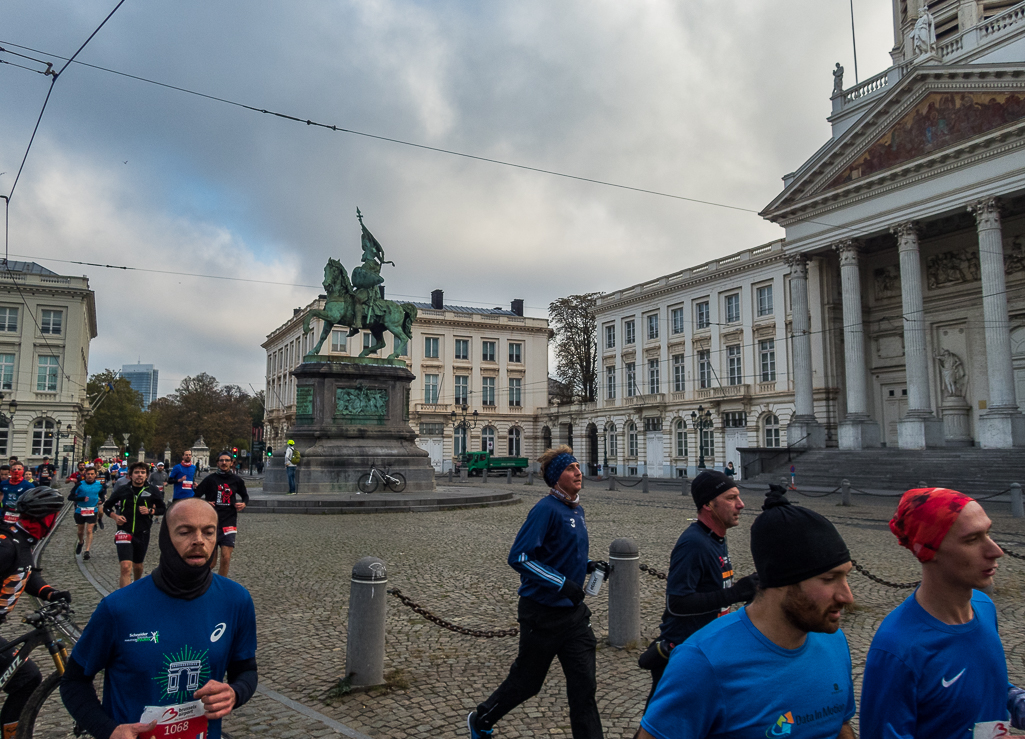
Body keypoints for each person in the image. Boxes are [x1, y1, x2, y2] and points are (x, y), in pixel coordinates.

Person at [637, 487, 856, 739]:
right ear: (781, 581)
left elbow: (840, 725)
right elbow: (677, 601)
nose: (847, 597)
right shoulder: (701, 663)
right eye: (829, 579)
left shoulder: (834, 641)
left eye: (846, 576)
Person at [61, 498, 258, 739]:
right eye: (185, 532)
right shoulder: (118, 608)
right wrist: (109, 730)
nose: (198, 540)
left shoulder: (236, 599)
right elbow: (73, 682)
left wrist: (235, 693)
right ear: (165, 538)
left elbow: (246, 670)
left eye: (209, 532)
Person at [860, 488, 1025, 736]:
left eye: (988, 533)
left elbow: (980, 684)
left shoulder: (984, 606)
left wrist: (1016, 701)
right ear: (928, 549)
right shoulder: (897, 649)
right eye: (972, 540)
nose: (996, 551)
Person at [468, 446, 603, 739]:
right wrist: (561, 583)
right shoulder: (545, 509)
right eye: (570, 469)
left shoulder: (576, 509)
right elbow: (520, 557)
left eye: (578, 467)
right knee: (527, 682)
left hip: (574, 616)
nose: (578, 473)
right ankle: (482, 719)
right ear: (556, 478)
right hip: (542, 613)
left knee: (584, 689)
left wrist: (590, 566)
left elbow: (560, 554)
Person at [638, 471, 757, 705]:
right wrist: (734, 593)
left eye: (738, 497)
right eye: (731, 498)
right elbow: (677, 603)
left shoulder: (716, 538)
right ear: (708, 505)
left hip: (707, 652)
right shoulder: (694, 544)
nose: (741, 505)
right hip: (682, 655)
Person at [0, 487, 72, 739]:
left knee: (25, 678)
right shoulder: (7, 546)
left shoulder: (21, 542)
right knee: (27, 678)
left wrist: (51, 593)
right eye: (54, 515)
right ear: (46, 519)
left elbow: (25, 573)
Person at [102, 461, 166, 589]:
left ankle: (137, 587)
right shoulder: (123, 490)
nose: (139, 475)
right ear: (130, 475)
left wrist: (150, 511)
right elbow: (107, 507)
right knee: (125, 567)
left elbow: (162, 509)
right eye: (136, 472)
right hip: (124, 532)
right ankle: (124, 598)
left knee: (138, 566)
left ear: (147, 475)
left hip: (142, 533)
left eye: (143, 473)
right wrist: (115, 517)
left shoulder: (152, 490)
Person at [195, 451, 249, 577]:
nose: (224, 463)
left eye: (226, 460)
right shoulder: (210, 479)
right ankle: (202, 582)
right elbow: (196, 495)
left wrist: (244, 503)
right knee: (210, 562)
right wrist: (206, 503)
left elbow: (245, 495)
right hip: (211, 522)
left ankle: (221, 585)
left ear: (231, 463)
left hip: (229, 521)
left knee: (226, 558)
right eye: (221, 460)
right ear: (217, 463)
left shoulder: (236, 480)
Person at [68, 466, 106, 560]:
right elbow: (70, 497)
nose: (90, 476)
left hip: (92, 510)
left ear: (95, 475)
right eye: (88, 474)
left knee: (89, 530)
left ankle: (87, 551)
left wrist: (102, 500)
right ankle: (81, 542)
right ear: (85, 475)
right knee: (80, 531)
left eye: (92, 474)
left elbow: (101, 494)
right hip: (80, 510)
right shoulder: (79, 484)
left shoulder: (99, 484)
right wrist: (81, 499)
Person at [1, 462, 34, 527]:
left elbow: (32, 501)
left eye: (19, 469)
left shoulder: (28, 485)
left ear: (22, 471)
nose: (16, 471)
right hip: (5, 512)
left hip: (20, 514)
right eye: (14, 469)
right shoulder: (3, 484)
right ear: (10, 471)